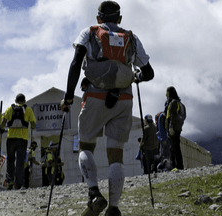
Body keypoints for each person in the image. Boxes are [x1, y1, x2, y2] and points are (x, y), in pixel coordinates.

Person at [60, 1, 154, 215]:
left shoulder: (90, 32)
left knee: (85, 146)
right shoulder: (131, 37)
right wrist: (136, 76)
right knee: (116, 153)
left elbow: (76, 63)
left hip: (95, 95)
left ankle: (94, 192)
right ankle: (113, 207)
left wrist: (67, 97)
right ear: (120, 19)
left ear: (98, 18)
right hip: (123, 99)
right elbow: (148, 72)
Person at [0, 93, 36, 190]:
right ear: (24, 101)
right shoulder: (28, 110)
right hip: (23, 140)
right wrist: (31, 126)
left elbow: (3, 122)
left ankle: (10, 180)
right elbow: (33, 124)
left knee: (10, 159)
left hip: (11, 138)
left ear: (15, 101)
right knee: (20, 161)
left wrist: (2, 129)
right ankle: (18, 184)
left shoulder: (10, 109)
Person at [164, 86, 186, 170]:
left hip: (173, 128)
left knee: (174, 147)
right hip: (178, 128)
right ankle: (178, 165)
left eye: (166, 92)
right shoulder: (180, 104)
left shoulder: (173, 103)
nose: (165, 94)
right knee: (176, 147)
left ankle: (177, 166)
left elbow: (172, 115)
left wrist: (171, 127)